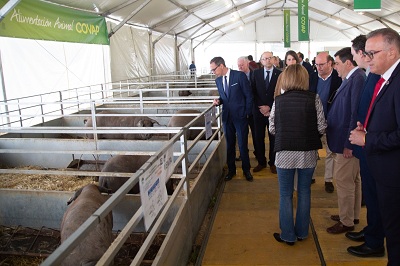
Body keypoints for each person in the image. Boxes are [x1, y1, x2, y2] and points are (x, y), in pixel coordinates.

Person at [349, 27, 400, 265]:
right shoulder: (386, 78)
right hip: (384, 167)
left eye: (372, 53)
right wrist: (369, 129)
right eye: (366, 54)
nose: (367, 59)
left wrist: (368, 139)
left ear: (391, 52)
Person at [269, 64, 326, 245]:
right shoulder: (314, 98)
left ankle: (288, 235)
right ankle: (302, 232)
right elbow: (322, 126)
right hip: (307, 153)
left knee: (285, 194)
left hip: (284, 152)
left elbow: (271, 127)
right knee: (304, 192)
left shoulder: (278, 100)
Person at [345, 34, 385, 258]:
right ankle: (372, 231)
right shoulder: (372, 74)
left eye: (372, 54)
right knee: (370, 195)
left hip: (374, 144)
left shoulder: (373, 76)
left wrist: (366, 134)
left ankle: (375, 242)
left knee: (375, 195)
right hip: (366, 140)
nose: (367, 59)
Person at [326, 47, 364, 234]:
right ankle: (351, 214)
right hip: (344, 138)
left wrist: (349, 144)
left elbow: (355, 113)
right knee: (353, 180)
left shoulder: (357, 79)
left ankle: (346, 221)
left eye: (337, 64)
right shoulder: (350, 78)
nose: (335, 67)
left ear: (348, 63)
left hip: (346, 141)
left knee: (343, 181)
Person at [210, 56, 254, 182]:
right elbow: (224, 97)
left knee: (242, 144)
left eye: (214, 69)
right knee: (230, 144)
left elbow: (248, 95)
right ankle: (231, 170)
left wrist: (247, 113)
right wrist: (218, 101)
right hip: (227, 117)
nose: (213, 72)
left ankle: (246, 170)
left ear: (221, 66)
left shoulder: (239, 76)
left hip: (240, 116)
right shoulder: (218, 81)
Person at [309, 52, 342, 193]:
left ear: (330, 63)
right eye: (316, 64)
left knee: (330, 151)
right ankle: (311, 175)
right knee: (313, 150)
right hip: (314, 121)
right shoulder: (311, 77)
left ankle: (328, 179)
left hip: (332, 121)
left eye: (321, 64)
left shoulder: (338, 79)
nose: (318, 67)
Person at [251, 51, 282, 174]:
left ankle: (273, 163)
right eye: (265, 59)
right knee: (258, 137)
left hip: (273, 111)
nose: (268, 60)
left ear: (274, 60)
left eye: (270, 58)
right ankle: (261, 162)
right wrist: (261, 107)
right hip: (258, 111)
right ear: (261, 61)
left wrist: (269, 106)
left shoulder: (279, 74)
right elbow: (252, 91)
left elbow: (280, 92)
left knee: (273, 137)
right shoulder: (255, 73)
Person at [237, 56, 257, 161]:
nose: (240, 67)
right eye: (238, 66)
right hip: (242, 111)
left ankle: (258, 153)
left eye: (242, 65)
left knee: (256, 133)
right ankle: (243, 154)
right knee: (242, 134)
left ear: (247, 64)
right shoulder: (237, 77)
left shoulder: (255, 75)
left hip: (254, 110)